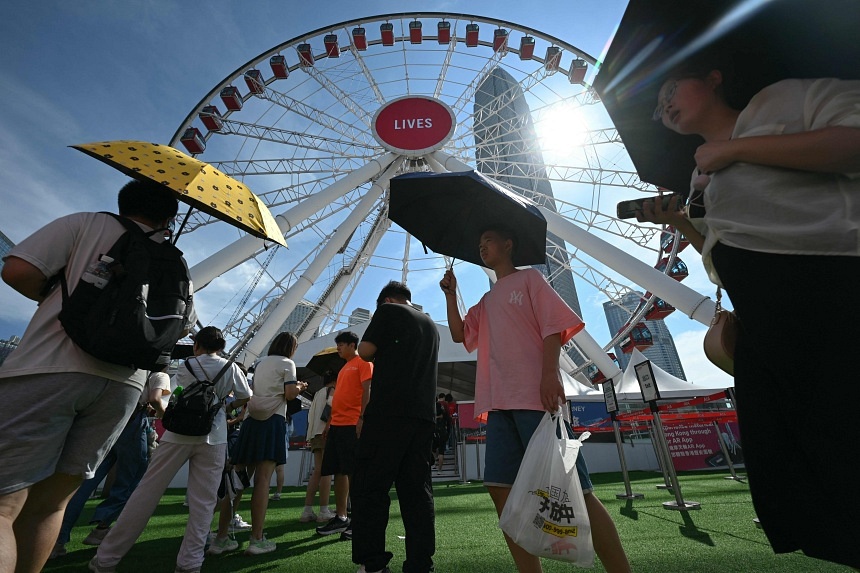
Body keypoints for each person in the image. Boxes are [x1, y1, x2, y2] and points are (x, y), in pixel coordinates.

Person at [641, 66, 860, 569]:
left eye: (671, 89)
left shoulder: (786, 98)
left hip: (828, 286)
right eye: (658, 106)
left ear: (714, 76)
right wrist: (681, 220)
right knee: (806, 466)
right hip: (763, 316)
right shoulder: (699, 179)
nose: (665, 106)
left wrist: (735, 150)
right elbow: (718, 256)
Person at [0, 179, 191, 573]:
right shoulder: (175, 261)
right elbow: (180, 327)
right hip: (123, 386)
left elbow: (17, 269)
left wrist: (58, 297)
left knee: (4, 505)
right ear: (169, 219)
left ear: (123, 203)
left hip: (52, 366)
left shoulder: (87, 223)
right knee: (50, 505)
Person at [440, 226, 630, 573]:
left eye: (489, 241)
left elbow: (553, 327)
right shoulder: (486, 301)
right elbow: (460, 335)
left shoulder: (529, 281)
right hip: (498, 403)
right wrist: (451, 296)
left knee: (578, 491)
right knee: (499, 489)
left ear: (508, 244)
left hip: (534, 397)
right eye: (479, 242)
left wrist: (548, 374)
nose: (482, 246)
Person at [90, 326, 250, 573]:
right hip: (214, 436)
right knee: (203, 503)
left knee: (146, 492)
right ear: (221, 347)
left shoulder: (187, 365)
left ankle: (106, 559)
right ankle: (189, 564)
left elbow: (172, 396)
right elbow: (245, 395)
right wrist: (221, 406)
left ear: (197, 345)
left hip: (178, 434)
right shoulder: (231, 368)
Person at [351, 281, 440, 573]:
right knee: (417, 493)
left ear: (387, 299)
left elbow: (364, 352)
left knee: (371, 488)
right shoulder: (431, 325)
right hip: (423, 416)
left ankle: (373, 562)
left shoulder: (387, 311)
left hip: (389, 412)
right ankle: (420, 564)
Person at [50, 368, 172, 558]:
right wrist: (162, 413)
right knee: (130, 479)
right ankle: (101, 528)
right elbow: (156, 398)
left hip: (112, 420)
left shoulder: (131, 369)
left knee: (84, 482)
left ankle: (57, 540)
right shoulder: (160, 375)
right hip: (135, 424)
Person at [229, 331, 307, 555]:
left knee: (239, 477)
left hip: (252, 421)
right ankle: (257, 538)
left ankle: (222, 532)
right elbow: (290, 394)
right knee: (263, 480)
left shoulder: (261, 362)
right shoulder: (287, 363)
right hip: (273, 421)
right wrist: (300, 387)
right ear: (291, 348)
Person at [315, 331, 373, 539]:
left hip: (351, 424)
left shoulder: (363, 363)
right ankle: (341, 517)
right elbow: (338, 398)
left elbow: (368, 391)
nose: (338, 347)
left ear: (352, 345)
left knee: (352, 473)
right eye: (337, 344)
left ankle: (358, 520)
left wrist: (362, 418)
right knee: (337, 471)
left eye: (341, 344)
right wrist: (329, 424)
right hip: (337, 426)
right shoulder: (343, 369)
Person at [298, 373, 336, 523]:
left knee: (317, 471)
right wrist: (328, 426)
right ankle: (324, 510)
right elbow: (332, 406)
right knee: (326, 471)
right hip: (325, 432)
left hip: (314, 434)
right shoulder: (332, 389)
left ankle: (307, 511)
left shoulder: (318, 393)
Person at [432, 394, 449, 472]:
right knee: (441, 451)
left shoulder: (431, 407)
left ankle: (435, 462)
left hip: (435, 431)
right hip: (442, 431)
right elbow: (445, 416)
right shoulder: (442, 406)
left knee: (433, 448)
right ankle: (440, 470)